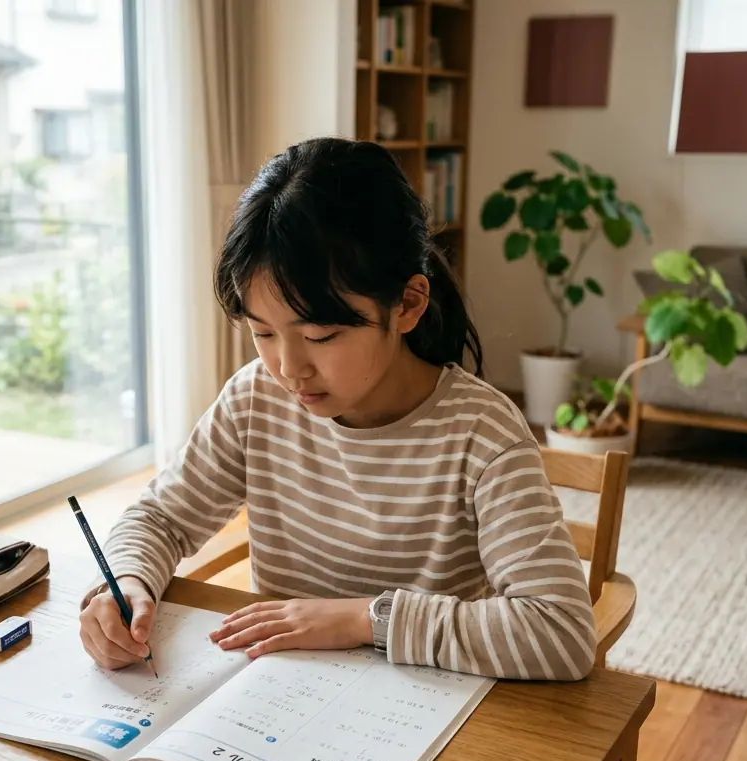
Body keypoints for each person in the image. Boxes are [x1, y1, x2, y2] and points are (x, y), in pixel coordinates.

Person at [78, 137, 597, 680]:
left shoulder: (481, 433)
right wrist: (126, 581)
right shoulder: (257, 398)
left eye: (321, 336)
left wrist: (363, 620)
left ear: (408, 304)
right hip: (282, 699)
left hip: (433, 717)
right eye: (262, 332)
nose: (288, 368)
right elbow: (160, 517)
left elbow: (560, 631)